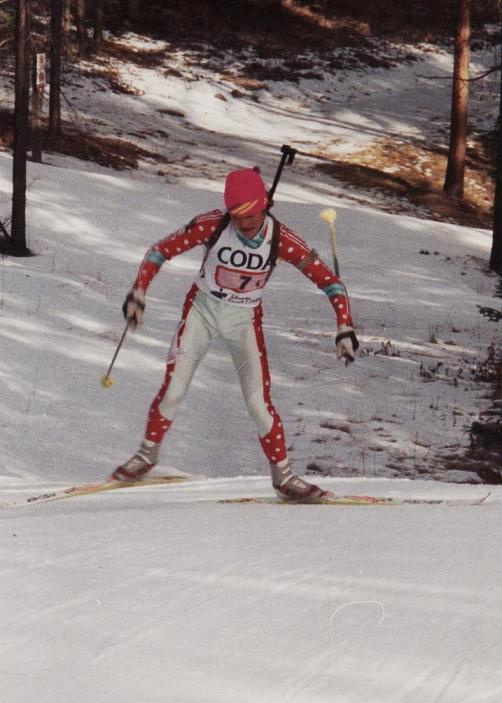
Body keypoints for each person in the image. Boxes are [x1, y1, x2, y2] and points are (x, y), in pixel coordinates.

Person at [111, 167, 358, 501]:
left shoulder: (281, 239)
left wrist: (344, 328)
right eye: (237, 216)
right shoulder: (213, 225)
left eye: (251, 215)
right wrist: (138, 291)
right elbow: (160, 250)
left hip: (244, 321)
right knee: (174, 389)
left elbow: (330, 282)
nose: (243, 224)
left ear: (266, 204)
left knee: (258, 403)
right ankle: (147, 454)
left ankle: (284, 477)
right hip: (201, 311)